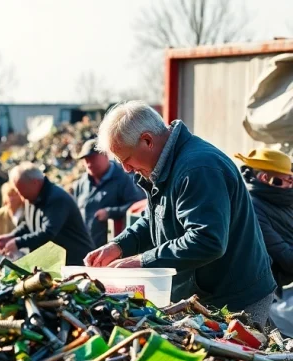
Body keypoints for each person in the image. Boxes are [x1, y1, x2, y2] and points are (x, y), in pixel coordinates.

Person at [85, 101, 275, 328]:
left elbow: (207, 240)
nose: (126, 169)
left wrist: (142, 261)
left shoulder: (198, 169)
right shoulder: (163, 165)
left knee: (242, 350)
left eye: (125, 159)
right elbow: (156, 217)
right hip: (203, 295)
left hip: (236, 300)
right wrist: (119, 245)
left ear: (147, 140)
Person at [0, 163, 94, 265]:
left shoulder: (57, 199)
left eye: (21, 189)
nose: (20, 195)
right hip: (53, 262)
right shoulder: (30, 197)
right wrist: (11, 236)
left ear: (35, 182)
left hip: (74, 262)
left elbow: (48, 233)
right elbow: (29, 224)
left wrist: (18, 242)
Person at [236, 148, 293, 291]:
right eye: (289, 179)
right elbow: (283, 253)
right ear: (265, 178)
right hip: (259, 291)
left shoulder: (282, 199)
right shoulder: (252, 209)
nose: (291, 184)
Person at [71, 138, 145, 247]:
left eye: (92, 158)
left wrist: (110, 212)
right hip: (85, 246)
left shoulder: (124, 178)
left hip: (112, 247)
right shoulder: (81, 184)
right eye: (86, 160)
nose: (89, 164)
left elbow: (137, 205)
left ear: (105, 155)